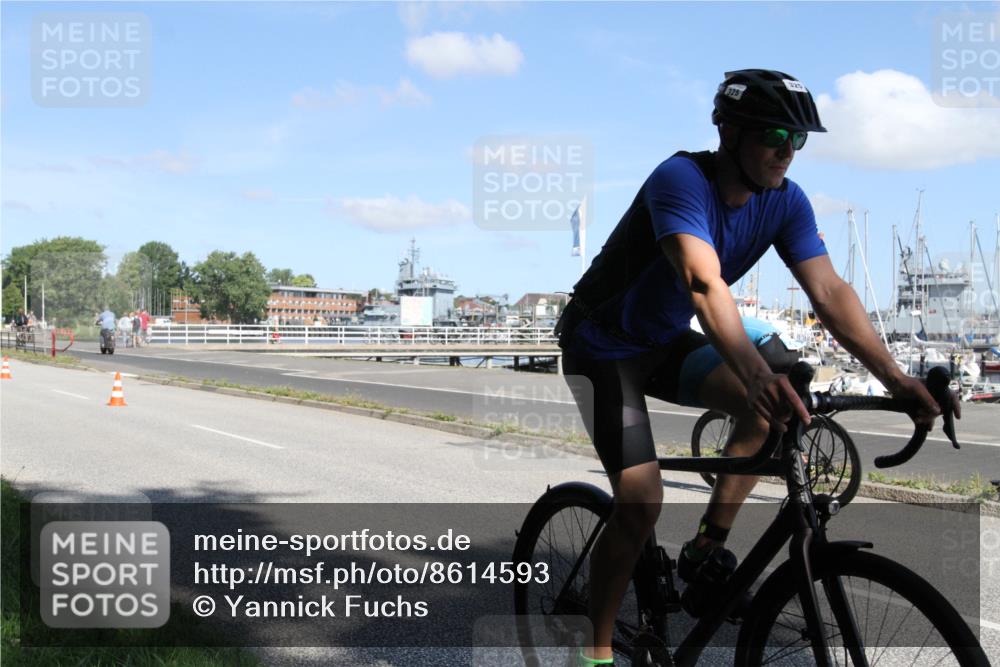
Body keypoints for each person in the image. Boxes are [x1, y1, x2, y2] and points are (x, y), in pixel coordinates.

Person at [554, 69, 942, 665]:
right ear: (729, 132)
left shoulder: (785, 201)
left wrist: (896, 377)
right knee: (641, 500)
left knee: (773, 413)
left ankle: (704, 549)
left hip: (662, 343)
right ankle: (597, 652)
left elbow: (830, 292)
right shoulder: (680, 180)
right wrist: (757, 376)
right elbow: (702, 282)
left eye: (798, 139)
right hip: (600, 348)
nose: (787, 152)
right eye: (774, 136)